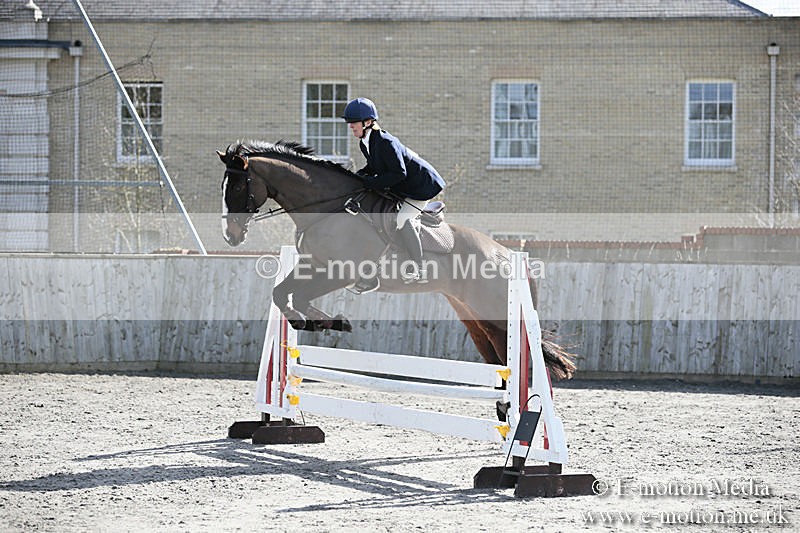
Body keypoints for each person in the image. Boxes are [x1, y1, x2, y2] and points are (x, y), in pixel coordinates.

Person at [342, 97, 446, 283]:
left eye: (353, 122)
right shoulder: (365, 141)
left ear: (367, 122)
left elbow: (399, 173)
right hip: (405, 185)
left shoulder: (385, 141)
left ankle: (419, 268)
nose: (350, 126)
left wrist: (369, 183)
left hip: (421, 187)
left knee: (402, 219)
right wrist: (356, 178)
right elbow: (374, 166)